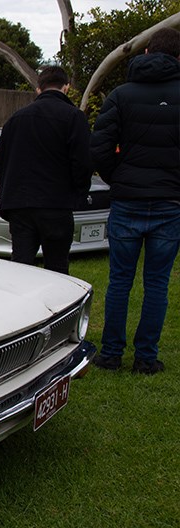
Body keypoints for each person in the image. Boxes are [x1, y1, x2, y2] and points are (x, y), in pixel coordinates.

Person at [90, 27, 180, 375]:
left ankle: (111, 354)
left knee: (120, 280)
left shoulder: (121, 95)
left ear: (146, 54)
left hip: (128, 199)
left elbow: (99, 146)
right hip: (169, 203)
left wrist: (119, 177)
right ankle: (146, 357)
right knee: (157, 282)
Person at [0, 66, 93, 274]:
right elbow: (82, 163)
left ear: (38, 89)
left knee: (21, 265)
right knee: (57, 267)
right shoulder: (74, 117)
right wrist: (79, 195)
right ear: (66, 88)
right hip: (56, 204)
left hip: (20, 204)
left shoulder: (15, 119)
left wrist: (4, 191)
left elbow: (0, 161)